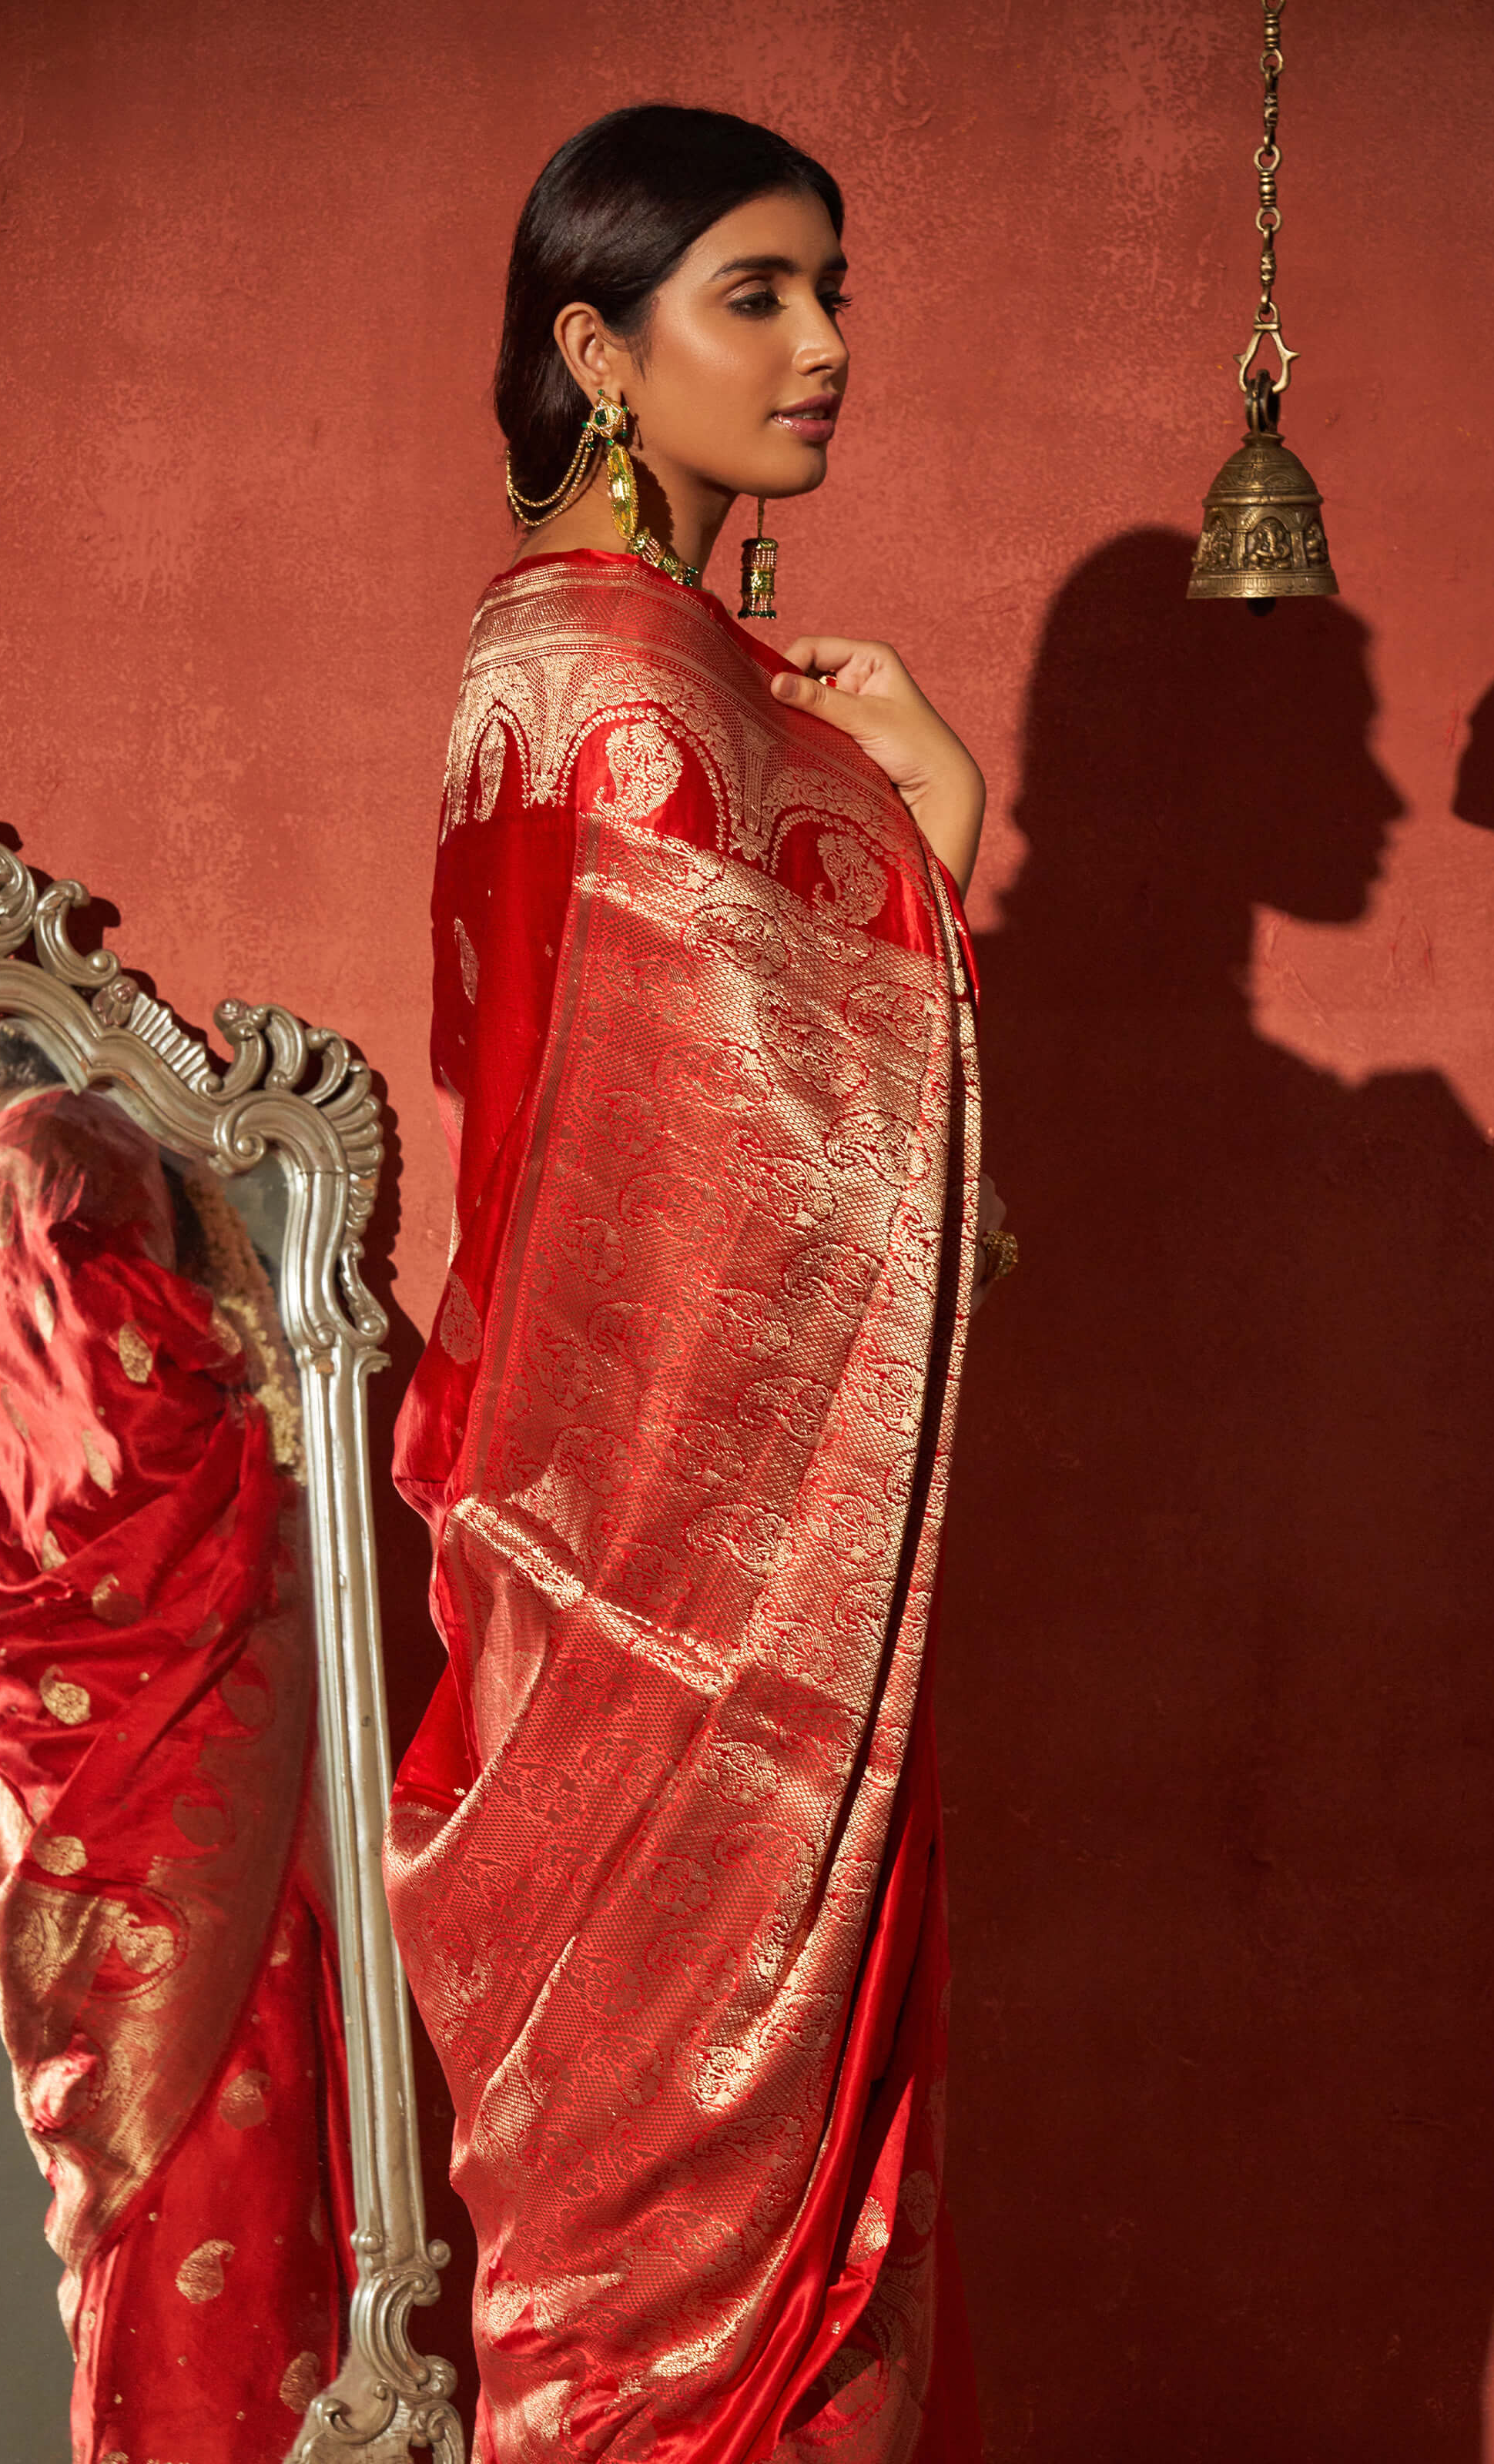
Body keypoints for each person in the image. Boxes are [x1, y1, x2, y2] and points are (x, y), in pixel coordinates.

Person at [385, 103, 992, 2463]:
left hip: (711, 1636)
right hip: (673, 1657)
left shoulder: (644, 669)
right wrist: (936, 853)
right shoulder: (613, 687)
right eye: (760, 294)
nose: (828, 344)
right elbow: (707, 1247)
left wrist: (915, 843)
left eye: (835, 288)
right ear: (595, 349)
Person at [0, 1026, 352, 2464]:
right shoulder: (58, 1152)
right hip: (155, 1741)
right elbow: (121, 1401)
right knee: (204, 2151)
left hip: (86, 1741)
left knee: (186, 2173)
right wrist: (247, 1358)